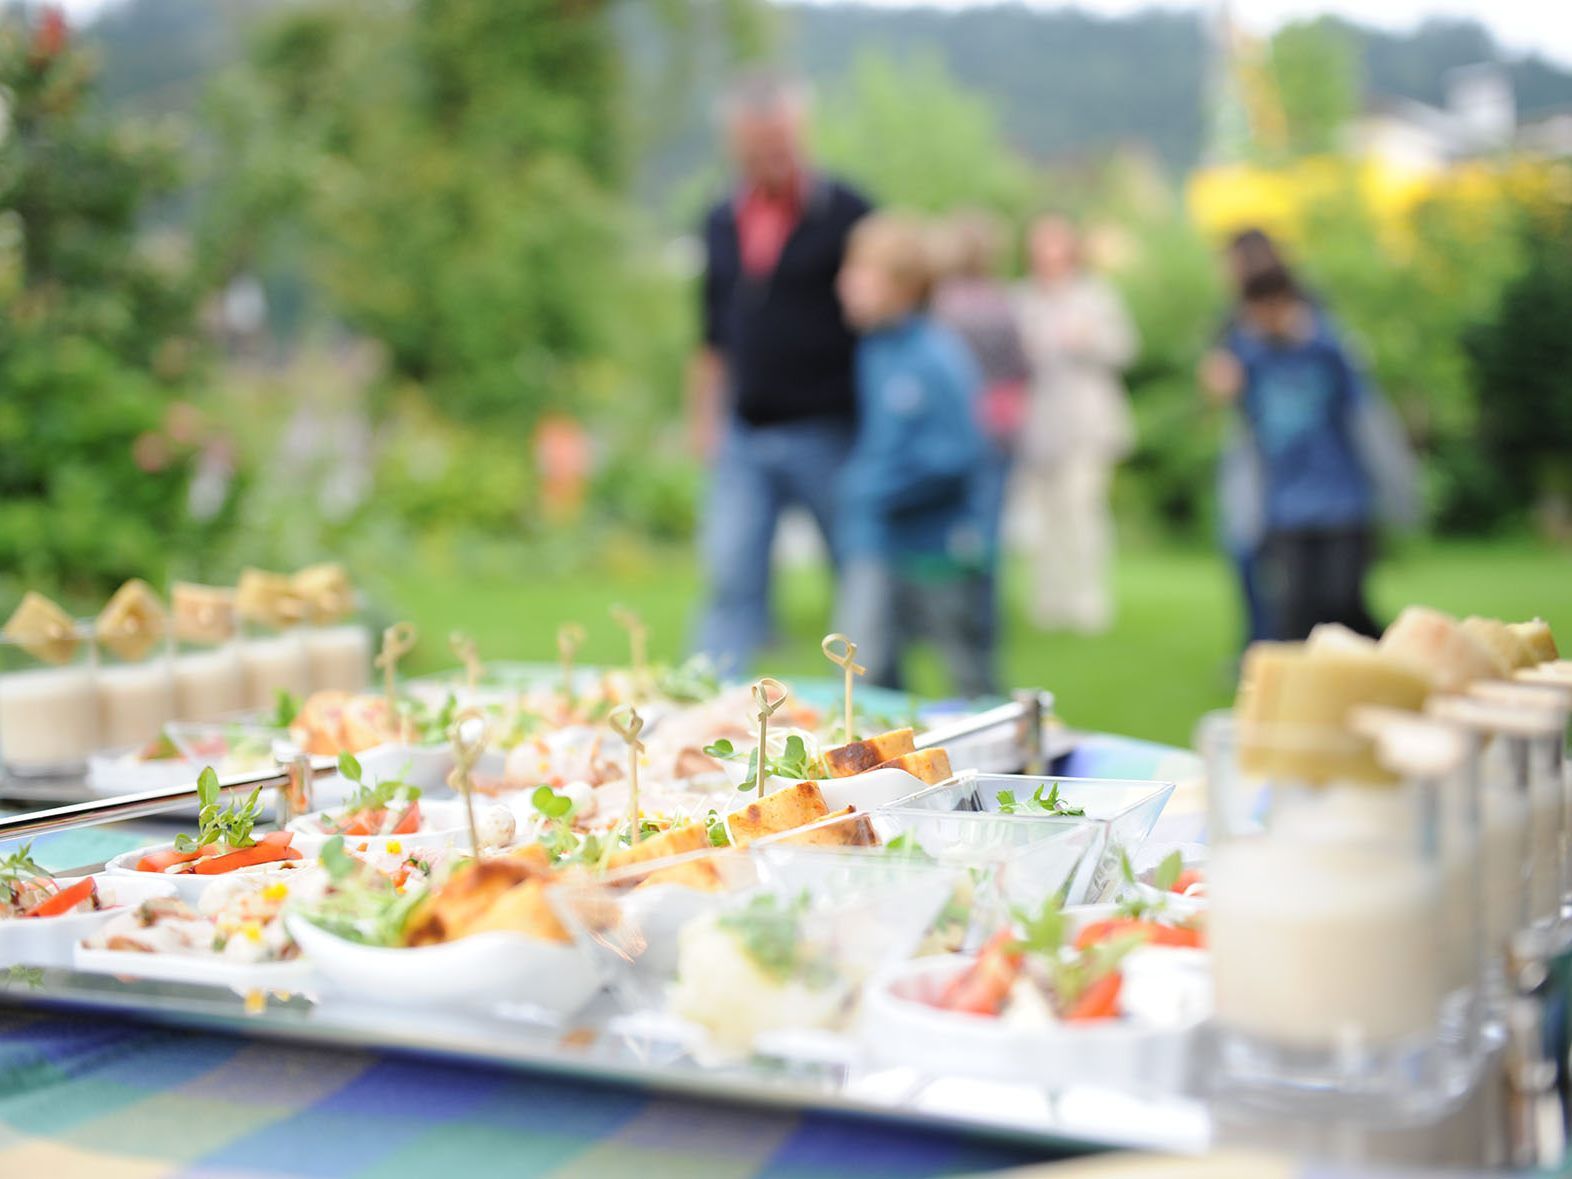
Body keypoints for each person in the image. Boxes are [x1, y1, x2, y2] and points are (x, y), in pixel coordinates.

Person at [690, 72, 873, 673]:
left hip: (831, 430)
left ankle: (869, 715)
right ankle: (702, 716)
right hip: (746, 430)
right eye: (757, 144)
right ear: (736, 144)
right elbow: (711, 332)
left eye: (781, 141)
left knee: (859, 574)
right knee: (729, 576)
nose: (771, 155)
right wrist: (703, 420)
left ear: (801, 133)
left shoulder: (849, 213)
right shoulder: (719, 219)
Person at [834, 213, 995, 698]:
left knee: (967, 675)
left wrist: (870, 487)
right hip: (877, 542)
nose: (845, 283)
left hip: (938, 550)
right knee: (861, 670)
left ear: (903, 286)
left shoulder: (935, 357)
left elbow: (959, 454)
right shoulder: (873, 351)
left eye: (861, 271)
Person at [1207, 264, 1381, 641]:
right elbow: (1223, 389)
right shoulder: (1250, 357)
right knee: (1294, 613)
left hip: (1341, 501)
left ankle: (1385, 662)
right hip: (1286, 506)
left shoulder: (1328, 349)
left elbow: (1367, 417)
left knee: (1343, 601)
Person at [1014, 214, 1138, 634]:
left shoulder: (1095, 297)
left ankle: (1088, 601)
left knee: (1083, 513)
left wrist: (1088, 340)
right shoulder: (1022, 299)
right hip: (1038, 425)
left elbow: (1126, 349)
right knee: (1044, 519)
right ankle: (1050, 601)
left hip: (1086, 424)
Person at [928, 209, 1031, 655]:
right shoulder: (1002, 303)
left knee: (944, 534)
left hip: (950, 435)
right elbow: (1022, 370)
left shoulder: (939, 306)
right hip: (997, 431)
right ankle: (982, 624)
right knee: (985, 536)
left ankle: (942, 624)